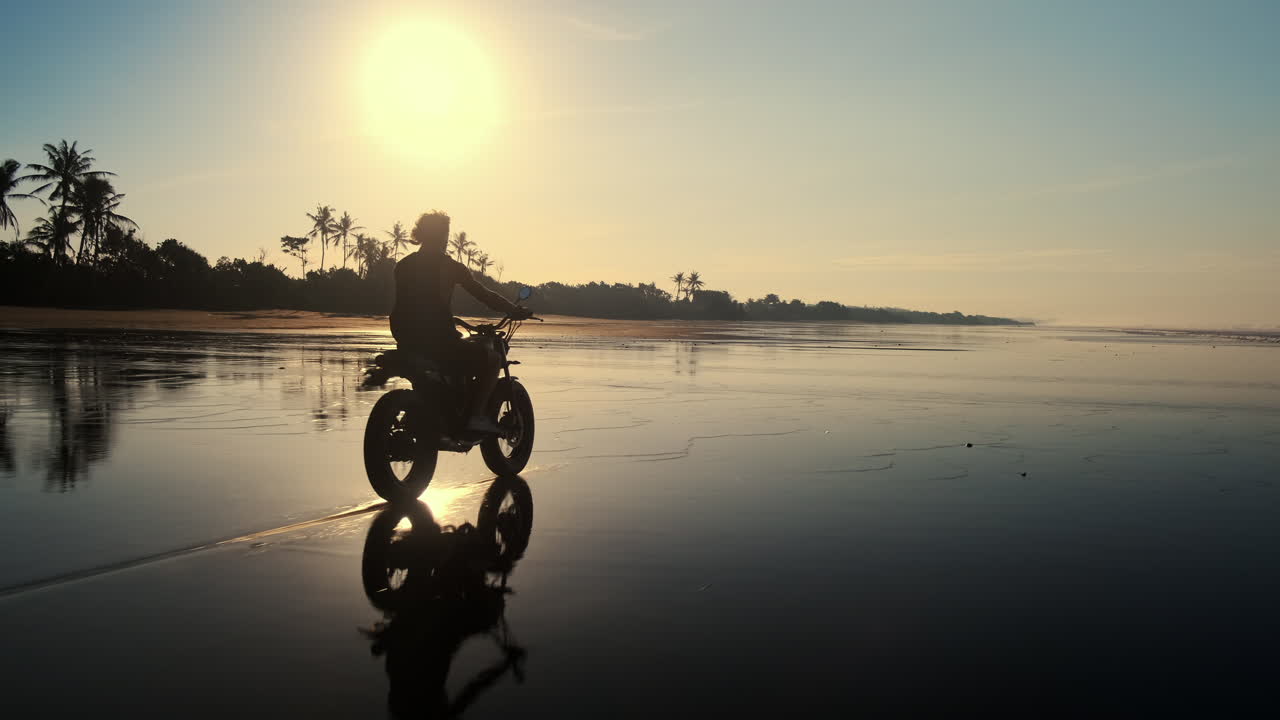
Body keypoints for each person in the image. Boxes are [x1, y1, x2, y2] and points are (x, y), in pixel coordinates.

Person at [390, 211, 529, 433]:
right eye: (445, 232)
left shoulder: (403, 265)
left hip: (405, 338)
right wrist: (513, 309)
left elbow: (411, 302)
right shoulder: (450, 266)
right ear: (443, 235)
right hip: (438, 339)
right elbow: (484, 294)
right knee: (492, 360)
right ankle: (475, 417)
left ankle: (440, 408)